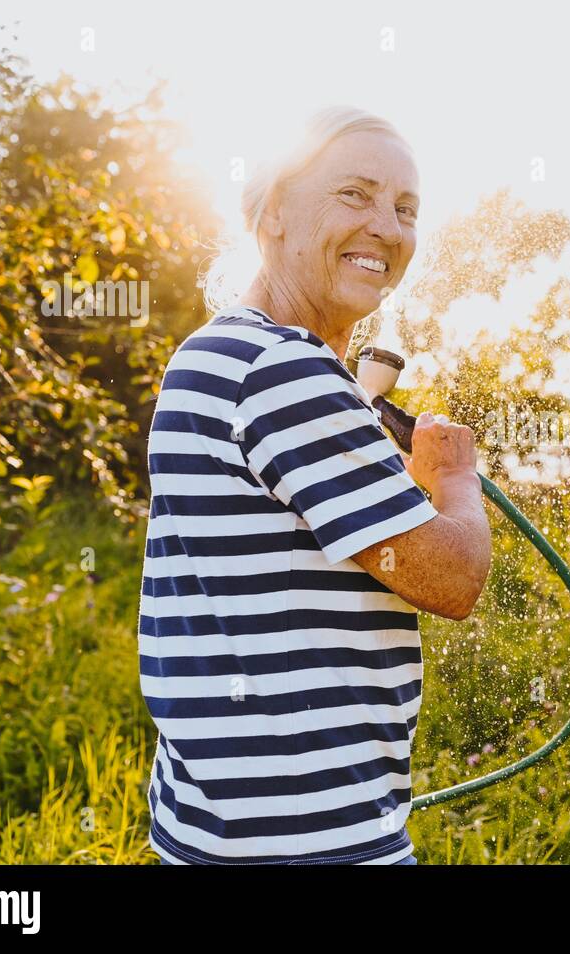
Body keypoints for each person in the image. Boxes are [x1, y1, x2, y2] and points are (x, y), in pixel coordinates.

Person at [138, 106, 492, 864]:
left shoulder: (214, 354)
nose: (387, 228)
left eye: (406, 209)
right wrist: (455, 479)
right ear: (273, 215)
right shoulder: (283, 369)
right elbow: (452, 579)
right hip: (315, 839)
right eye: (355, 195)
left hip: (208, 829)